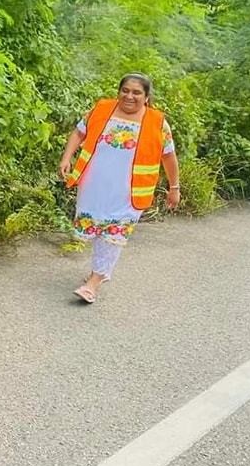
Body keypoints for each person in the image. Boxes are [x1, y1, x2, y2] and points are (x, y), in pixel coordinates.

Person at [58, 73, 180, 303]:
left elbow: (169, 157)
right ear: (119, 91)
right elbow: (78, 132)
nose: (129, 96)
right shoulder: (102, 109)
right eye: (125, 90)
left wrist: (174, 187)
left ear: (146, 97)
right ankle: (101, 271)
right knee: (97, 228)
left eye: (137, 92)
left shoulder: (157, 122)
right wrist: (66, 158)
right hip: (94, 185)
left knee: (114, 231)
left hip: (130, 191)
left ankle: (93, 282)